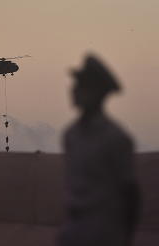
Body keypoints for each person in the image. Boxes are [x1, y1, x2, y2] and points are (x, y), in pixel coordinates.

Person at [58, 54, 141, 246]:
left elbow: (130, 193)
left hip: (103, 230)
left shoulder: (115, 138)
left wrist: (126, 238)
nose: (75, 90)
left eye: (82, 85)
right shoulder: (70, 135)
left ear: (97, 92)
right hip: (73, 227)